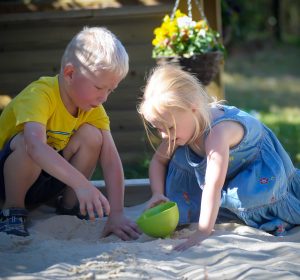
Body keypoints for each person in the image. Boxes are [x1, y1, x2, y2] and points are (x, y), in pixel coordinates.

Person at [137, 65, 300, 251]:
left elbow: (212, 186)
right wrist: (158, 193)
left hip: (256, 174)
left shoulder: (218, 134)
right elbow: (159, 161)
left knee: (247, 196)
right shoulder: (179, 126)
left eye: (169, 128)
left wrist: (202, 232)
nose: (165, 136)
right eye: (158, 129)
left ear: (193, 109)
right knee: (180, 158)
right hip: (224, 174)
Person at [0, 26, 140, 240]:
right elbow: (35, 147)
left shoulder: (92, 108)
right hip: (7, 181)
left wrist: (117, 213)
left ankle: (70, 206)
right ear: (70, 73)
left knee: (94, 136)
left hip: (47, 182)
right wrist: (83, 184)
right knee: (28, 143)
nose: (104, 97)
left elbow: (111, 159)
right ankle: (12, 211)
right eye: (98, 87)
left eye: (110, 90)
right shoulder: (40, 94)